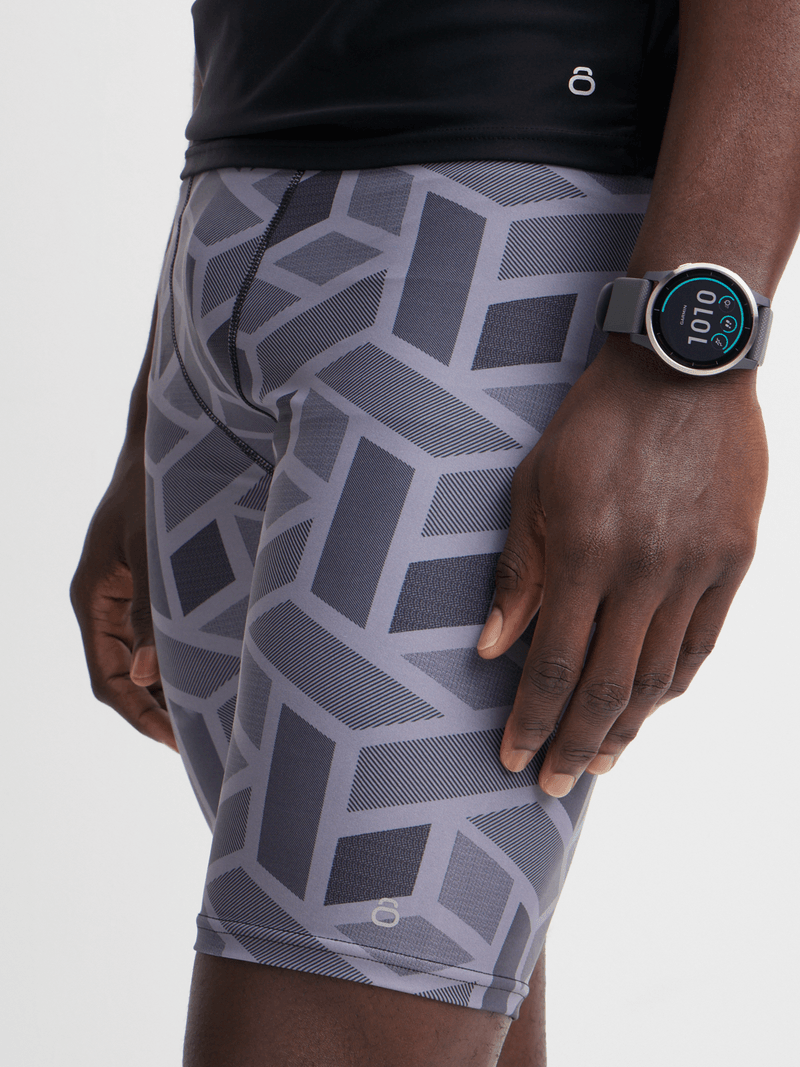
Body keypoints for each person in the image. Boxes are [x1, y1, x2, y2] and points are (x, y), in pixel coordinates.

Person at [70, 2, 800, 1064]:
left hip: (502, 247)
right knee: (391, 988)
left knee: (332, 996)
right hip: (225, 228)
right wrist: (159, 395)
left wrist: (687, 349)